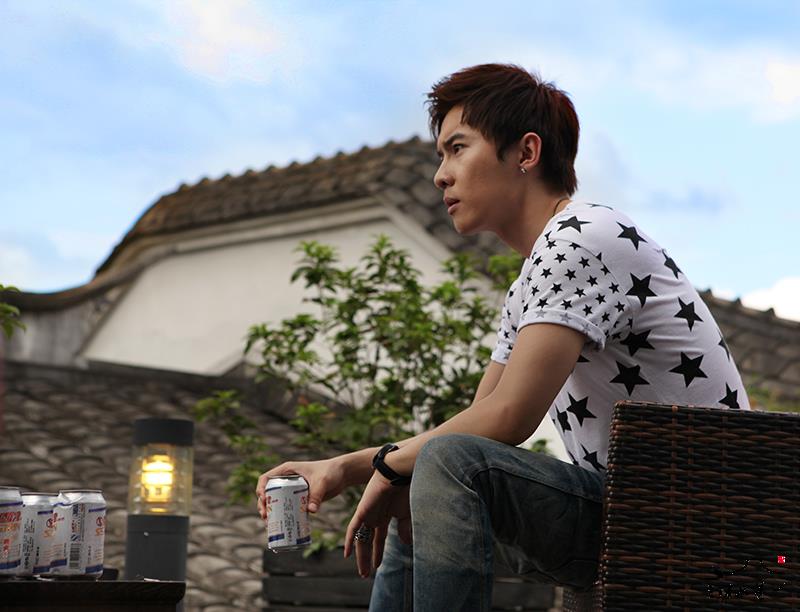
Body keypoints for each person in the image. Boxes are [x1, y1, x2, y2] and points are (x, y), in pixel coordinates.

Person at [256, 63, 751, 611]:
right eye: (441, 156)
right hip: (630, 509)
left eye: (457, 149)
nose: (441, 175)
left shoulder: (582, 238)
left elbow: (507, 419)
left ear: (526, 152)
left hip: (698, 515)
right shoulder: (530, 283)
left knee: (440, 464)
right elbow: (479, 423)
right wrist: (377, 470)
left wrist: (369, 466)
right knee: (420, 480)